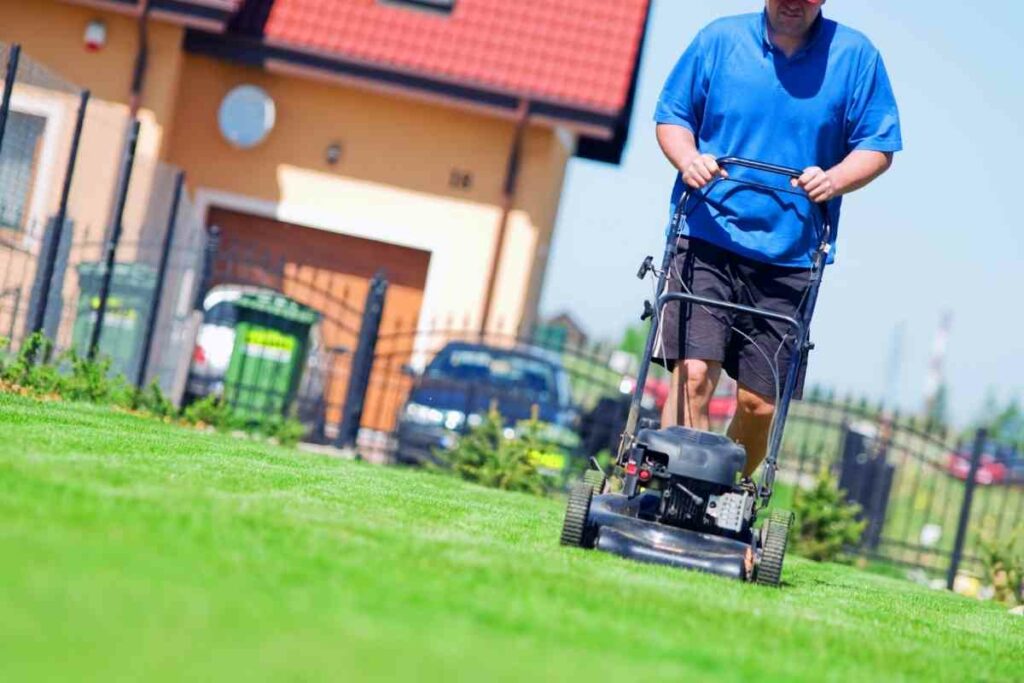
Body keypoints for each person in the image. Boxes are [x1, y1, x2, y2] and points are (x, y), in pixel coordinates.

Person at [653, 0, 902, 479]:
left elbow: (877, 144)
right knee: (695, 376)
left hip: (791, 255)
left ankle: (723, 498)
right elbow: (673, 116)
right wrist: (689, 159)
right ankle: (676, 491)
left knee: (759, 404)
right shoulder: (719, 40)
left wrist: (834, 179)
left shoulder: (856, 57)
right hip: (707, 232)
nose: (793, 2)